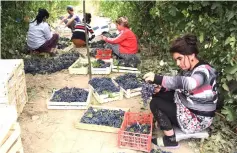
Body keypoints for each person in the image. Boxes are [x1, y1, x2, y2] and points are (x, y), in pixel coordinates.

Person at [143, 34, 218, 148]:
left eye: (180, 58)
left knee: (156, 104)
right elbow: (178, 85)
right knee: (159, 95)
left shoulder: (204, 71)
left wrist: (158, 78)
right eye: (176, 60)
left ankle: (170, 140)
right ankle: (168, 124)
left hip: (198, 119)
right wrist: (162, 88)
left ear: (192, 55)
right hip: (188, 107)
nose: (178, 63)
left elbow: (190, 83)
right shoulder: (189, 69)